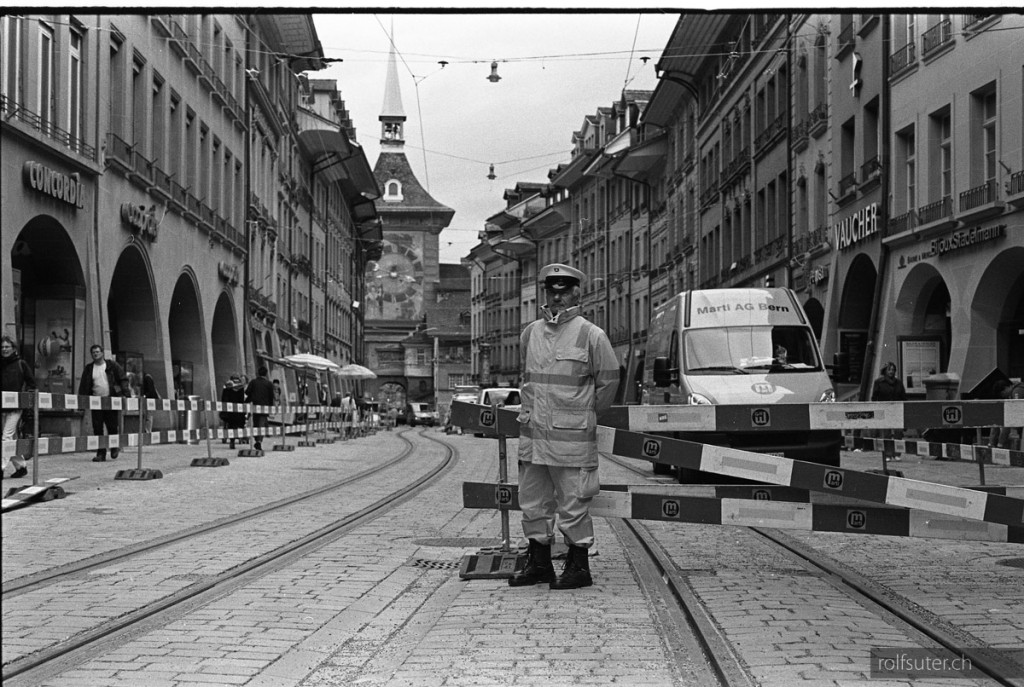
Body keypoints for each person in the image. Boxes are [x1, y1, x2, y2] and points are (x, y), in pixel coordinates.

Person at [509, 263, 619, 590]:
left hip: (571, 441)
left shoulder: (591, 335)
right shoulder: (530, 333)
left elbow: (609, 384)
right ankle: (539, 563)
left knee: (573, 503)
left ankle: (578, 567)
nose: (557, 297)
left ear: (576, 293)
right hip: (533, 439)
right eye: (551, 291)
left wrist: (581, 414)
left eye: (564, 291)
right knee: (533, 503)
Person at [78, 344, 129, 462]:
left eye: (97, 352)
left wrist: (126, 395)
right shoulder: (89, 368)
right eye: (93, 353)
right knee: (97, 428)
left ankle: (114, 447)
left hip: (110, 401)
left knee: (112, 426)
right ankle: (101, 453)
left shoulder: (112, 366)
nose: (95, 354)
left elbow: (123, 379)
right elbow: (84, 385)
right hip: (96, 401)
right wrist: (82, 401)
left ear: (102, 353)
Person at [1, 335, 35, 479]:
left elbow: (32, 384)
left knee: (6, 437)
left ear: (13, 348)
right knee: (11, 438)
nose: (4, 349)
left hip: (16, 407)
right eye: (2, 347)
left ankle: (1, 467)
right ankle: (21, 467)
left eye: (7, 347)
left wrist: (26, 400)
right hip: (2, 407)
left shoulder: (21, 364)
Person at [871, 361, 907, 461]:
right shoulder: (879, 382)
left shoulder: (898, 383)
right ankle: (887, 454)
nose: (891, 372)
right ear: (885, 371)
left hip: (897, 409)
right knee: (886, 433)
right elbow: (874, 397)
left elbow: (903, 396)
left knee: (898, 432)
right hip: (885, 409)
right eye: (889, 370)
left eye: (893, 370)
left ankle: (897, 453)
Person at [245, 366, 275, 451]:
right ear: (266, 374)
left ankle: (257, 440)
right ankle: (258, 441)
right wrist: (270, 408)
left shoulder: (253, 382)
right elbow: (271, 397)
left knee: (256, 424)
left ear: (258, 373)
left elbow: (247, 392)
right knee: (261, 425)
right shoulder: (269, 384)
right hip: (264, 408)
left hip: (254, 407)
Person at [990, 379, 1024, 450]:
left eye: (1002, 393)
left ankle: (999, 446)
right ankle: (992, 444)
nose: (1003, 396)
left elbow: (1016, 413)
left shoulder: (1017, 391)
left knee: (1007, 421)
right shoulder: (1012, 394)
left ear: (1006, 388)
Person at [219, 374, 247, 449]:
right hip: (238, 411)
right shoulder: (241, 387)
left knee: (230, 425)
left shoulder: (227, 386)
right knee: (236, 425)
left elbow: (223, 398)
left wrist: (224, 408)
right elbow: (241, 400)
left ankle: (232, 440)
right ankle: (236, 438)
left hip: (229, 411)